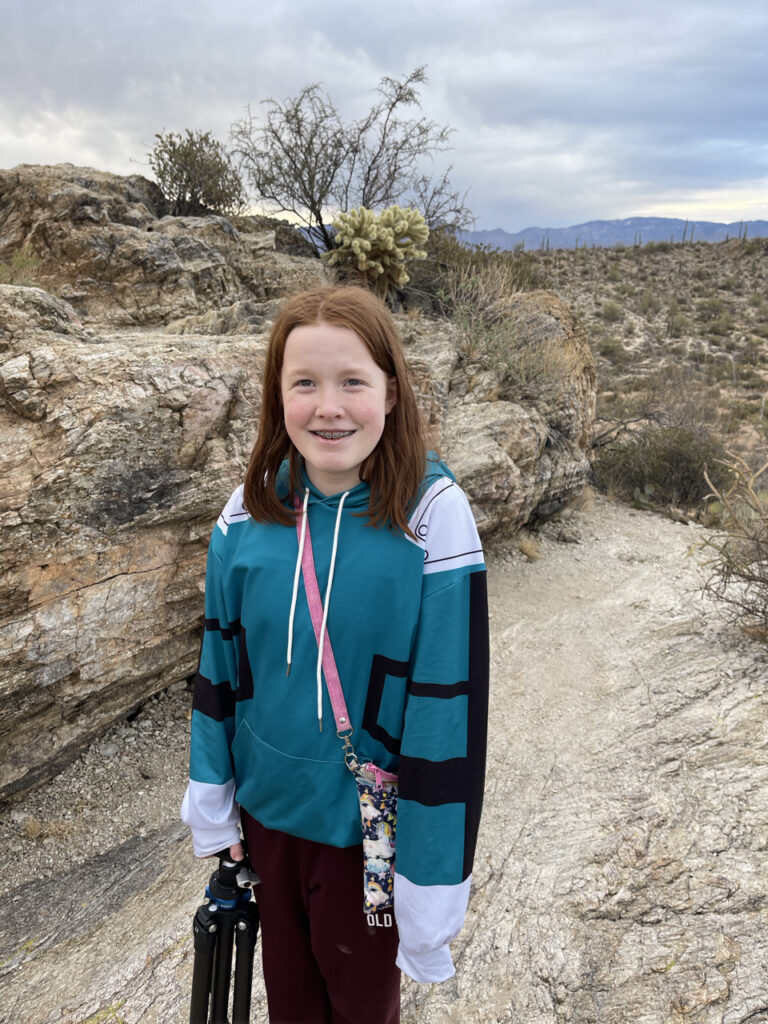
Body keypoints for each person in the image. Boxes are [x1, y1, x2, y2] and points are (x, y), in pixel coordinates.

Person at [181, 285, 489, 1024]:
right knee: (291, 1004)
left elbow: (449, 708)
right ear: (276, 396)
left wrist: (431, 879)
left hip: (365, 838)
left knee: (360, 1007)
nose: (330, 407)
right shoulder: (244, 513)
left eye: (352, 381)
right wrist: (217, 813)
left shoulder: (432, 518)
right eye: (305, 384)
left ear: (391, 389)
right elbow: (219, 668)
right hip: (268, 824)